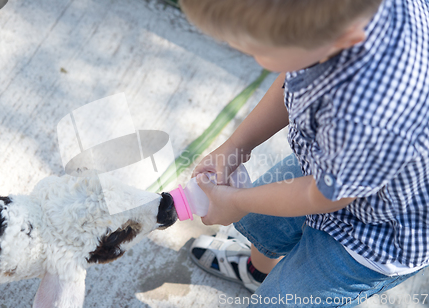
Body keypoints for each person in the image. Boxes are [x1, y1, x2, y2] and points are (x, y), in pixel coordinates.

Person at [179, 0, 429, 306]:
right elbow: (292, 78)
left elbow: (325, 195)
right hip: (334, 168)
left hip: (377, 234)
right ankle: (256, 272)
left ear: (344, 39)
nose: (247, 53)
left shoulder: (368, 116)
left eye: (258, 49)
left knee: (283, 300)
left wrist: (233, 202)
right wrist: (236, 146)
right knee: (260, 226)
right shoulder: (330, 29)